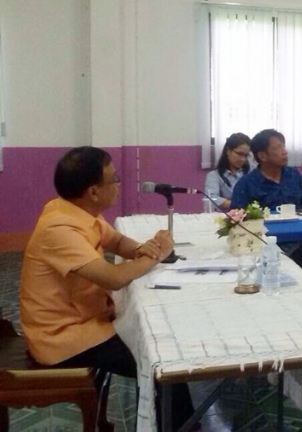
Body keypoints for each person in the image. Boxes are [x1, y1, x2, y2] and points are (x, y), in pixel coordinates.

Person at [19, 146, 193, 427]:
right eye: (114, 178)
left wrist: (142, 248)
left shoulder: (76, 210)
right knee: (161, 360)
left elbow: (116, 241)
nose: (118, 184)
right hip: (63, 336)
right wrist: (157, 255)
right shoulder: (59, 228)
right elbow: (114, 278)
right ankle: (183, 425)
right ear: (93, 192)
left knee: (154, 341)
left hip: (87, 319)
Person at [230, 129, 302, 290]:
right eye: (278, 147)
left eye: (284, 146)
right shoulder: (247, 184)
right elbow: (236, 218)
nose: (284, 151)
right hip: (265, 243)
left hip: (298, 238)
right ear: (262, 156)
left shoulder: (292, 174)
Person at [204, 132, 252, 210]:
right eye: (239, 154)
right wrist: (236, 204)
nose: (243, 159)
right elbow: (211, 199)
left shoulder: (251, 174)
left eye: (246, 155)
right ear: (228, 151)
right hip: (222, 216)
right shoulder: (214, 176)